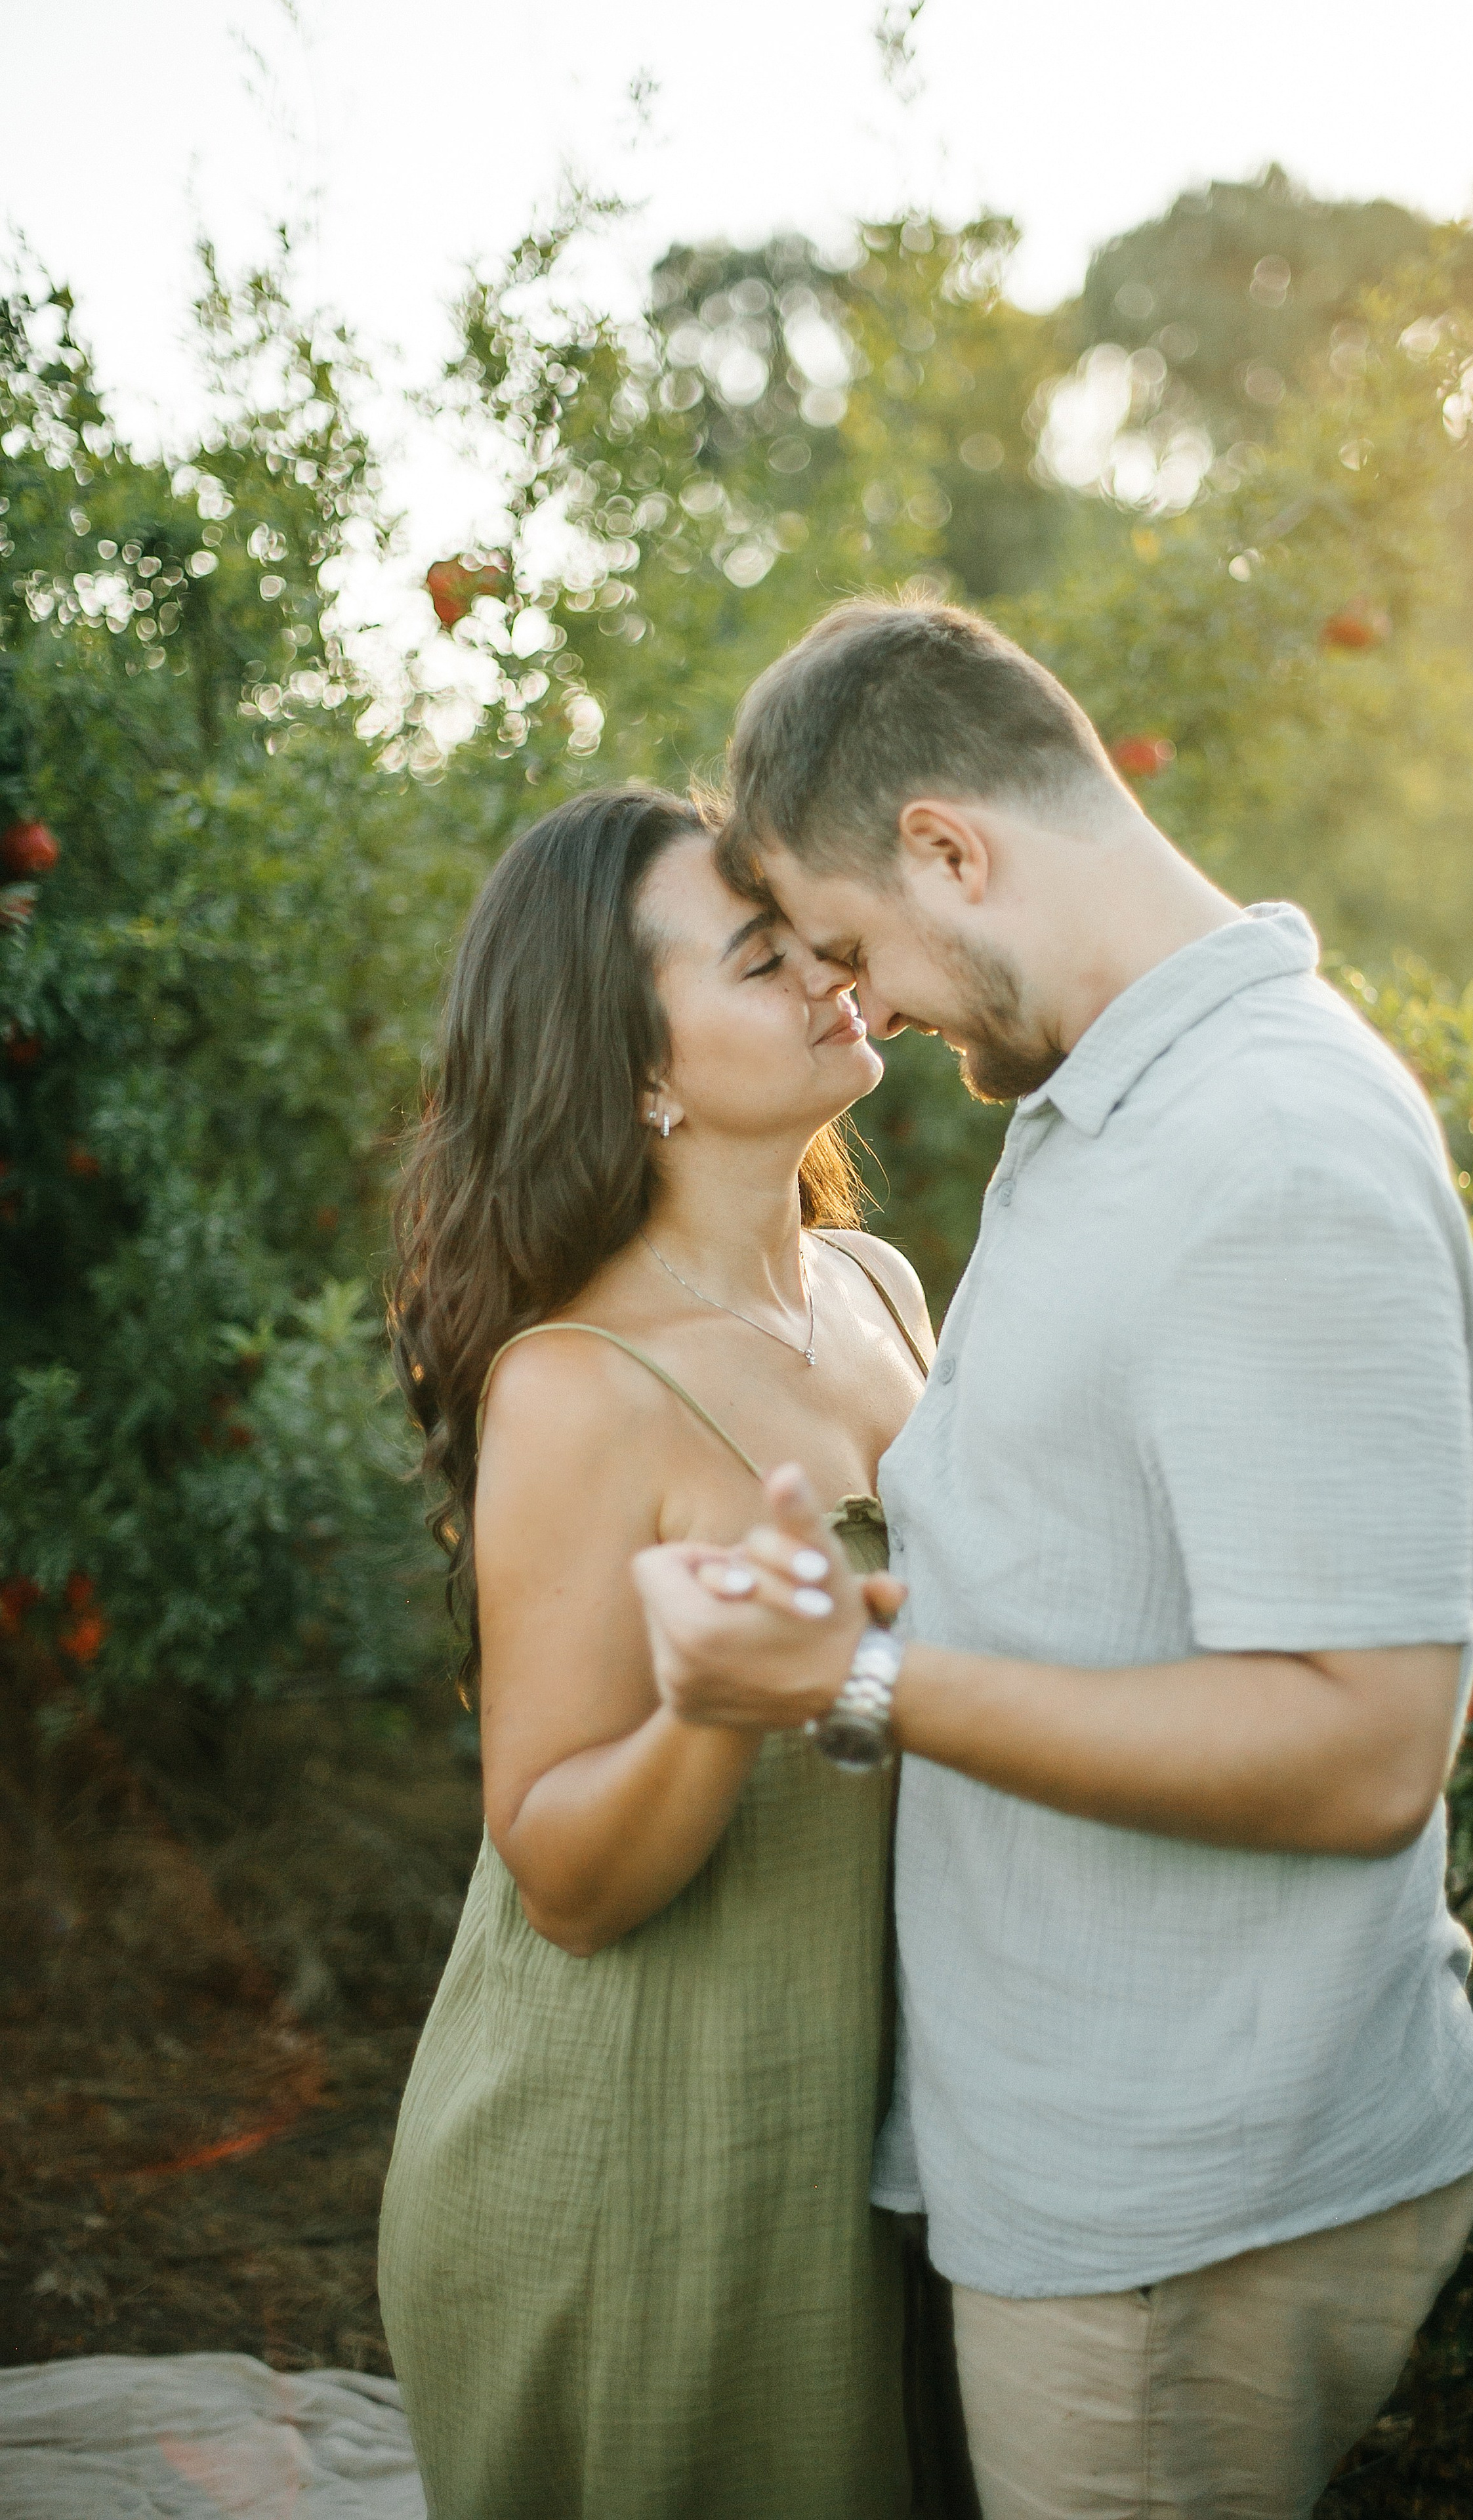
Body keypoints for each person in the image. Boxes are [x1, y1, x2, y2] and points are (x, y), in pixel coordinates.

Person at [631, 602, 1473, 2520]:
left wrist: (855, 1686)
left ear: (956, 848)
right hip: (1094, 2160)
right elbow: (1104, 1584)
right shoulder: (1112, 1103)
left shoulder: (1266, 1144)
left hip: (1175, 2205)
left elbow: (1364, 1750)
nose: (873, 1008)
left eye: (862, 946)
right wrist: (853, 1617)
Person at [378, 785, 944, 2520]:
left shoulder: (880, 1286)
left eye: (819, 934)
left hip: (864, 2127)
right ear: (638, 1069)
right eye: (764, 954)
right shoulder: (576, 1385)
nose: (832, 967)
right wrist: (711, 1710)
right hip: (637, 2162)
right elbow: (554, 1866)